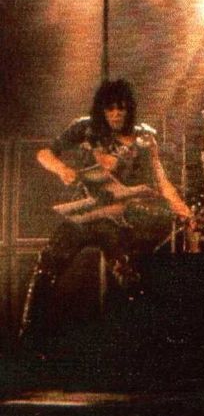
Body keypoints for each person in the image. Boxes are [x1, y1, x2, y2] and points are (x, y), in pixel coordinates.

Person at [19, 79, 193, 353]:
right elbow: (44, 154)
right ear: (101, 109)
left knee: (129, 274)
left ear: (129, 109)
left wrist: (181, 206)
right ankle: (29, 337)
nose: (116, 114)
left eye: (121, 109)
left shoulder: (143, 138)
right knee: (48, 265)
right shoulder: (84, 128)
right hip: (83, 213)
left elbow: (160, 178)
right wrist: (63, 170)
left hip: (117, 220)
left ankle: (151, 342)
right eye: (110, 109)